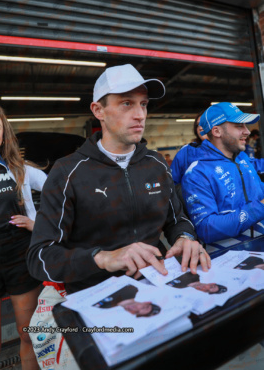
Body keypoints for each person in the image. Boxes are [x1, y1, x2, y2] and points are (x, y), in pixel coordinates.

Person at [27, 64, 210, 296]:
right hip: (96, 297)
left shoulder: (156, 164)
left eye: (143, 104)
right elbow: (39, 257)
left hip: (161, 284)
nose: (140, 114)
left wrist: (184, 237)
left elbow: (177, 219)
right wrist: (102, 258)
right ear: (98, 110)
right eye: (127, 103)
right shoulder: (67, 172)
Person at [0, 105, 46, 370]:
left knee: (28, 333)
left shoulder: (19, 169)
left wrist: (35, 223)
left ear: (4, 133)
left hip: (19, 254)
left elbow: (58, 191)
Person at [181, 101, 264, 244]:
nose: (247, 131)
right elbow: (206, 229)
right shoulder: (196, 173)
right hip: (229, 258)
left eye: (245, 125)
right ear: (217, 131)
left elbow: (256, 190)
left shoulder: (241, 157)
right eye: (239, 126)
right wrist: (260, 207)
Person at [170, 111, 208, 184]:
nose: (200, 128)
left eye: (204, 123)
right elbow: (171, 183)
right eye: (197, 125)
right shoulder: (186, 152)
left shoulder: (229, 150)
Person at [93, 285, 161, 317]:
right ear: (147, 302)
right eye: (143, 307)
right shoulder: (131, 289)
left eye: (137, 312)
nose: (135, 309)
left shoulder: (104, 306)